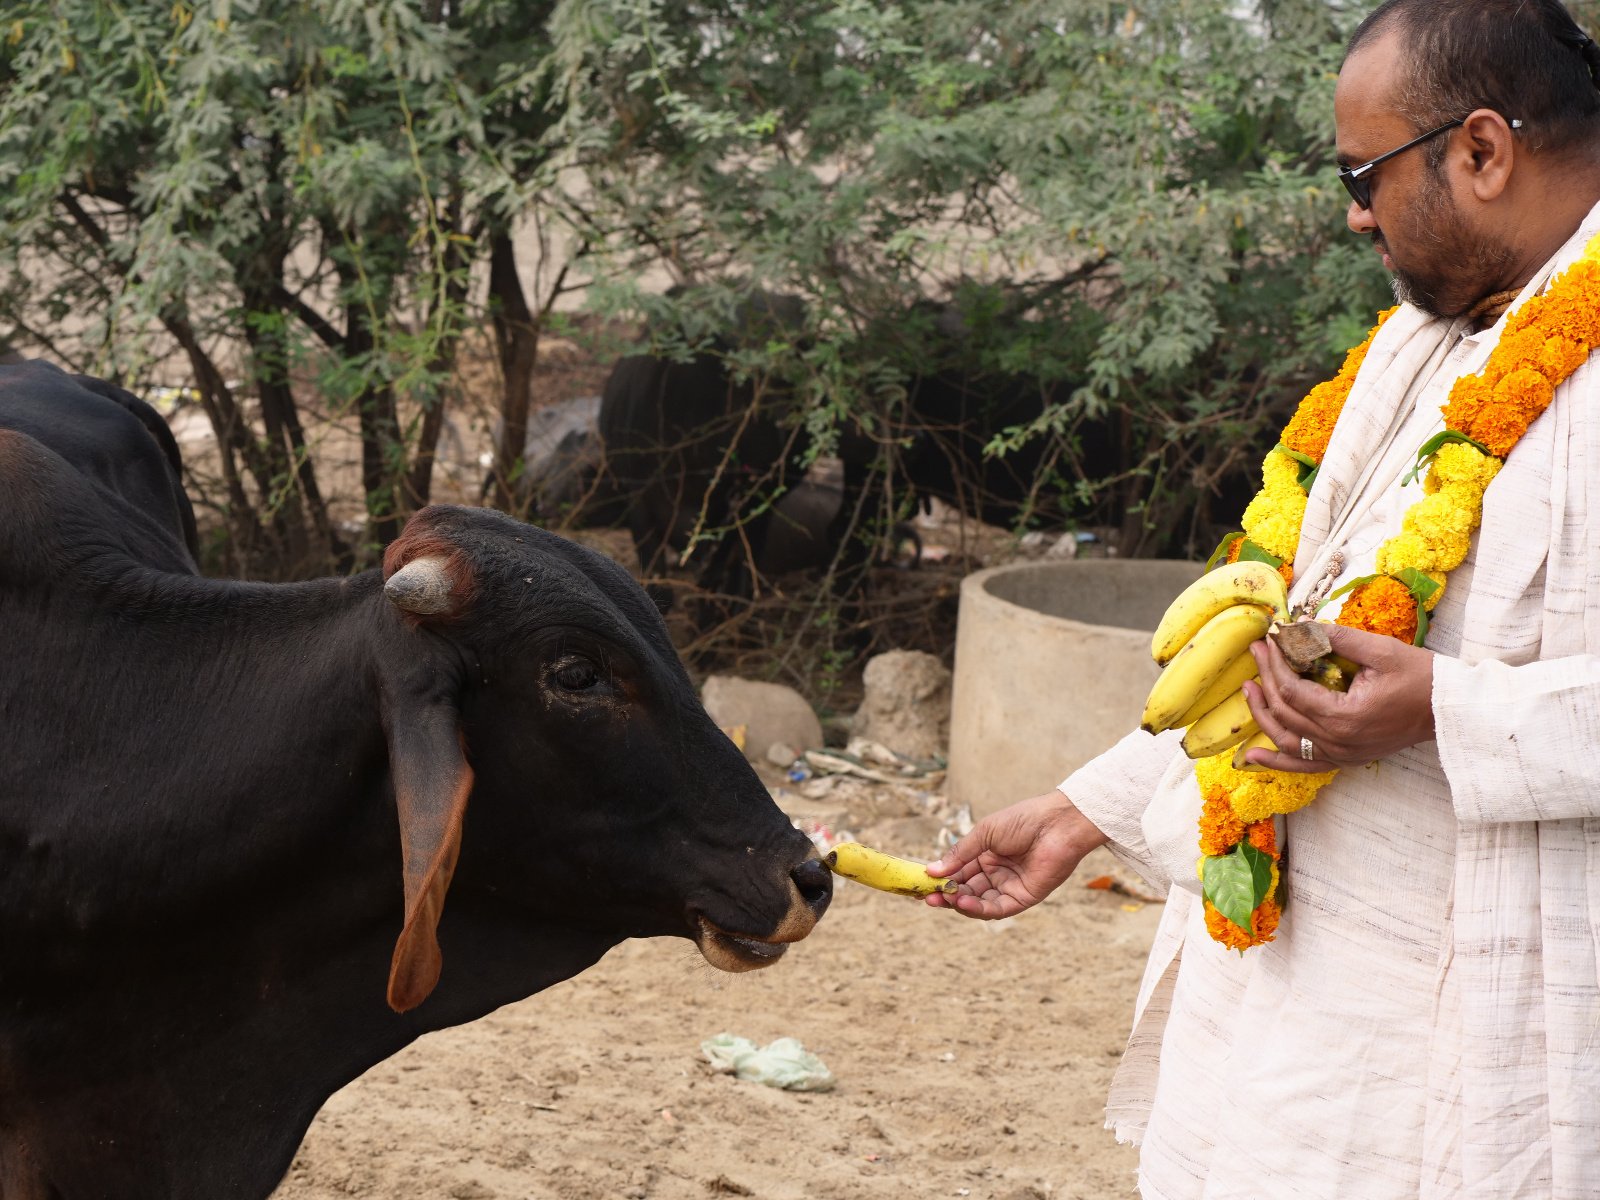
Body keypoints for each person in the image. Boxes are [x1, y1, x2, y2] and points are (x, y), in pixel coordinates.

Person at [927, 3, 1600, 1197]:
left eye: (1361, 174)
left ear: (1482, 151)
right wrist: (1086, 808)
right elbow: (1288, 622)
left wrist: (1447, 711)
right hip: (1292, 1021)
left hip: (1482, 1031)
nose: (1354, 214)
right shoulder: (1421, 344)